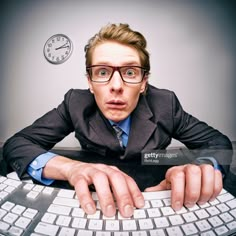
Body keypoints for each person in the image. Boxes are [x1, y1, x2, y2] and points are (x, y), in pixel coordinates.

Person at [3, 23, 233, 218]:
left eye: (130, 72)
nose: (116, 85)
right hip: (95, 188)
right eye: (102, 72)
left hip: (154, 166)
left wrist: (201, 167)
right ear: (90, 82)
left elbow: (218, 143)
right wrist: (70, 168)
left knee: (172, 156)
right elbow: (17, 144)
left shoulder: (166, 103)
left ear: (143, 83)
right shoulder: (75, 103)